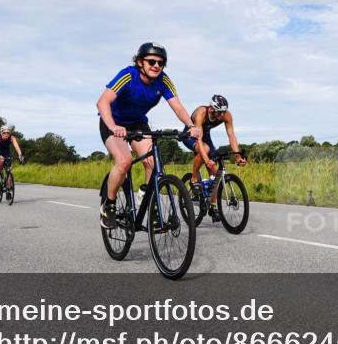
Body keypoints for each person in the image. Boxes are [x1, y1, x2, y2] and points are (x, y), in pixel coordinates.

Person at [95, 42, 200, 228]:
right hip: (113, 122)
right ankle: (108, 206)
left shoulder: (163, 80)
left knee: (152, 161)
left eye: (161, 63)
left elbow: (177, 106)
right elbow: (103, 102)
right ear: (140, 62)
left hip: (137, 123)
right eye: (151, 61)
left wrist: (191, 125)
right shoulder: (128, 75)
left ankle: (148, 200)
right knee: (124, 162)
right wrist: (112, 126)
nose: (156, 66)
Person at [182, 95, 247, 219]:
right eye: (219, 113)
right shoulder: (201, 113)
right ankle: (194, 179)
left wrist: (237, 156)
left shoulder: (226, 115)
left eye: (223, 112)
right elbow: (199, 140)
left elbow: (231, 136)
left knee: (216, 173)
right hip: (191, 135)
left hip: (205, 136)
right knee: (205, 150)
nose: (222, 116)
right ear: (211, 109)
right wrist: (206, 160)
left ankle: (212, 206)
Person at [0, 125, 23, 190]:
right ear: (1, 133)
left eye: (8, 133)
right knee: (2, 161)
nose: (6, 134)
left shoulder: (12, 138)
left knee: (9, 170)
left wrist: (20, 155)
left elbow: (17, 147)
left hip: (7, 152)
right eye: (4, 133)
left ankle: (8, 189)